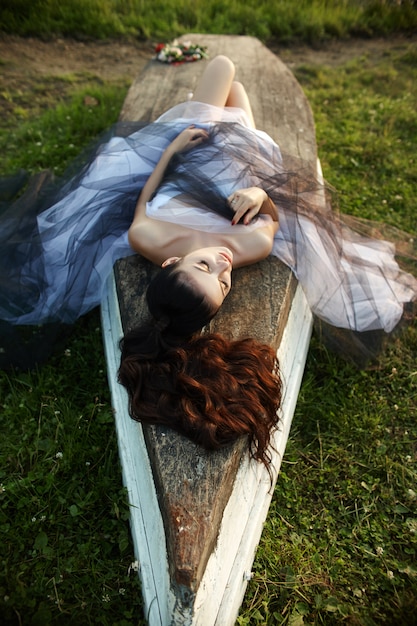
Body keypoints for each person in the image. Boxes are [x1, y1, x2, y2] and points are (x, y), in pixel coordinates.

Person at [0, 56, 416, 463]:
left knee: (223, 69)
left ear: (168, 263)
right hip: (243, 161)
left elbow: (143, 198)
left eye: (203, 266)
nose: (222, 263)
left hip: (187, 154)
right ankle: (228, 117)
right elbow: (273, 217)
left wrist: (172, 148)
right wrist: (259, 196)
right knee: (235, 96)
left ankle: (205, 109)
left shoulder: (145, 236)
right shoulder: (250, 248)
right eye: (223, 283)